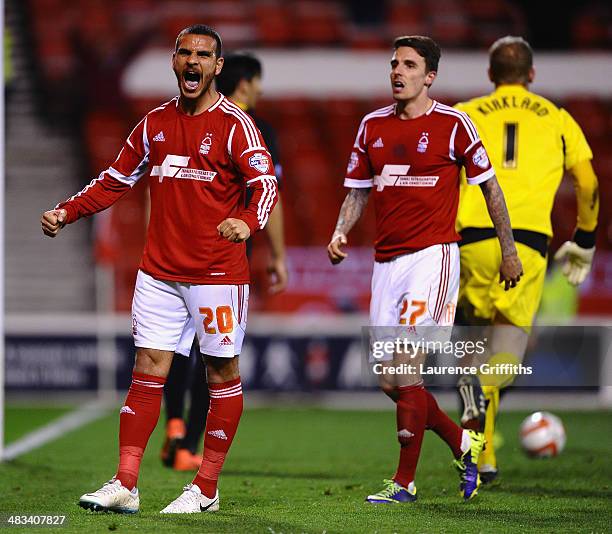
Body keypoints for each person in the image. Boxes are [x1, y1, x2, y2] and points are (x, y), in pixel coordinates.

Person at [41, 24, 278, 514]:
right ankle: (126, 482)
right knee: (147, 371)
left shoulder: (236, 125)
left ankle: (206, 489)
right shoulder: (153, 123)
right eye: (185, 53)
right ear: (174, 61)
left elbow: (266, 184)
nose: (193, 62)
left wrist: (249, 221)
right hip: (159, 274)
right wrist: (69, 210)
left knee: (221, 374)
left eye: (204, 56)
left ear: (217, 67)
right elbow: (114, 179)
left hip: (216, 274)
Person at [327, 35, 522, 503]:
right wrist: (340, 232)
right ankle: (463, 442)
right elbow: (358, 190)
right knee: (390, 381)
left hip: (431, 259)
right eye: (394, 64)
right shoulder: (371, 126)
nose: (397, 72)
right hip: (385, 264)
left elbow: (491, 187)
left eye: (409, 66)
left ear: (429, 76)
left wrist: (508, 250)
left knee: (406, 365)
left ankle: (403, 483)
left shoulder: (455, 125)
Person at [453, 36, 599, 483]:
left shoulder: (464, 112)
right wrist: (586, 237)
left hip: (471, 239)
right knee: (507, 354)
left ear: (490, 75)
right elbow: (588, 182)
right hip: (527, 241)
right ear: (531, 75)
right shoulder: (557, 118)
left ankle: (482, 456)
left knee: (474, 350)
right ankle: (482, 408)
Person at [160, 51, 288, 472]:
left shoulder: (183, 120)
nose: (262, 89)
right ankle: (187, 446)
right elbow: (270, 195)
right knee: (211, 355)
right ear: (247, 82)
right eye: (259, 81)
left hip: (175, 253)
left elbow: (160, 187)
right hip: (224, 259)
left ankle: (175, 428)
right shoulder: (257, 129)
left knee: (171, 348)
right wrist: (279, 254)